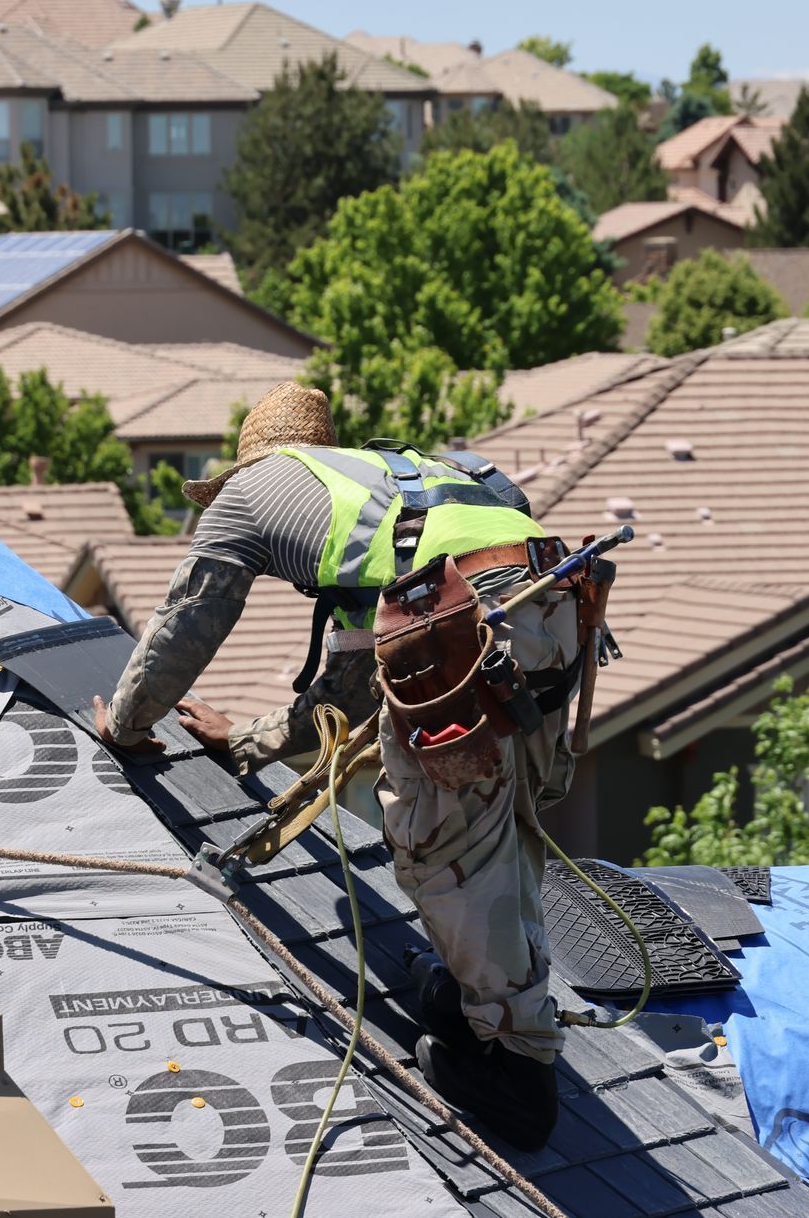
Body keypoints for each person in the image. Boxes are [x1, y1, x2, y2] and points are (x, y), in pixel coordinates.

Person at [93, 381, 582, 1150]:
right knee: (502, 815)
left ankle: (517, 1074)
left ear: (255, 459)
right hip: (556, 599)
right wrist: (247, 741)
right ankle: (474, 996)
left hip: (465, 622)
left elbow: (189, 619)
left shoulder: (249, 494)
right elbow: (352, 690)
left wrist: (125, 723)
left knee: (443, 846)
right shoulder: (393, 487)